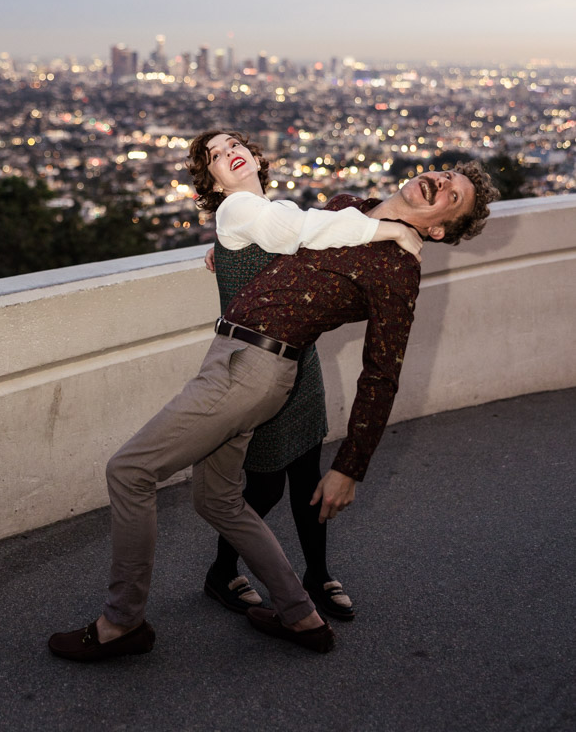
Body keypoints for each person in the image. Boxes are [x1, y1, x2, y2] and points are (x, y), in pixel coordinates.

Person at [48, 139, 498, 661]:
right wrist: (233, 250)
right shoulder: (346, 207)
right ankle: (301, 617)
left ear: (439, 228)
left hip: (255, 367)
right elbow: (293, 234)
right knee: (215, 499)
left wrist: (351, 466)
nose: (441, 182)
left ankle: (120, 624)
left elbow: (382, 373)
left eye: (452, 195)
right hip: (235, 356)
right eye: (444, 175)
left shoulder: (399, 267)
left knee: (129, 471)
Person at [188, 130, 422, 622]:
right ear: (210, 179)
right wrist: (394, 232)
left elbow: (303, 232)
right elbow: (302, 230)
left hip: (301, 362)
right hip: (258, 364)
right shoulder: (236, 210)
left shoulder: (265, 212)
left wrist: (219, 253)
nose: (227, 153)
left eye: (234, 144)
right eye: (213, 155)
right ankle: (221, 571)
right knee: (267, 485)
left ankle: (317, 573)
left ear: (254, 155)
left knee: (306, 478)